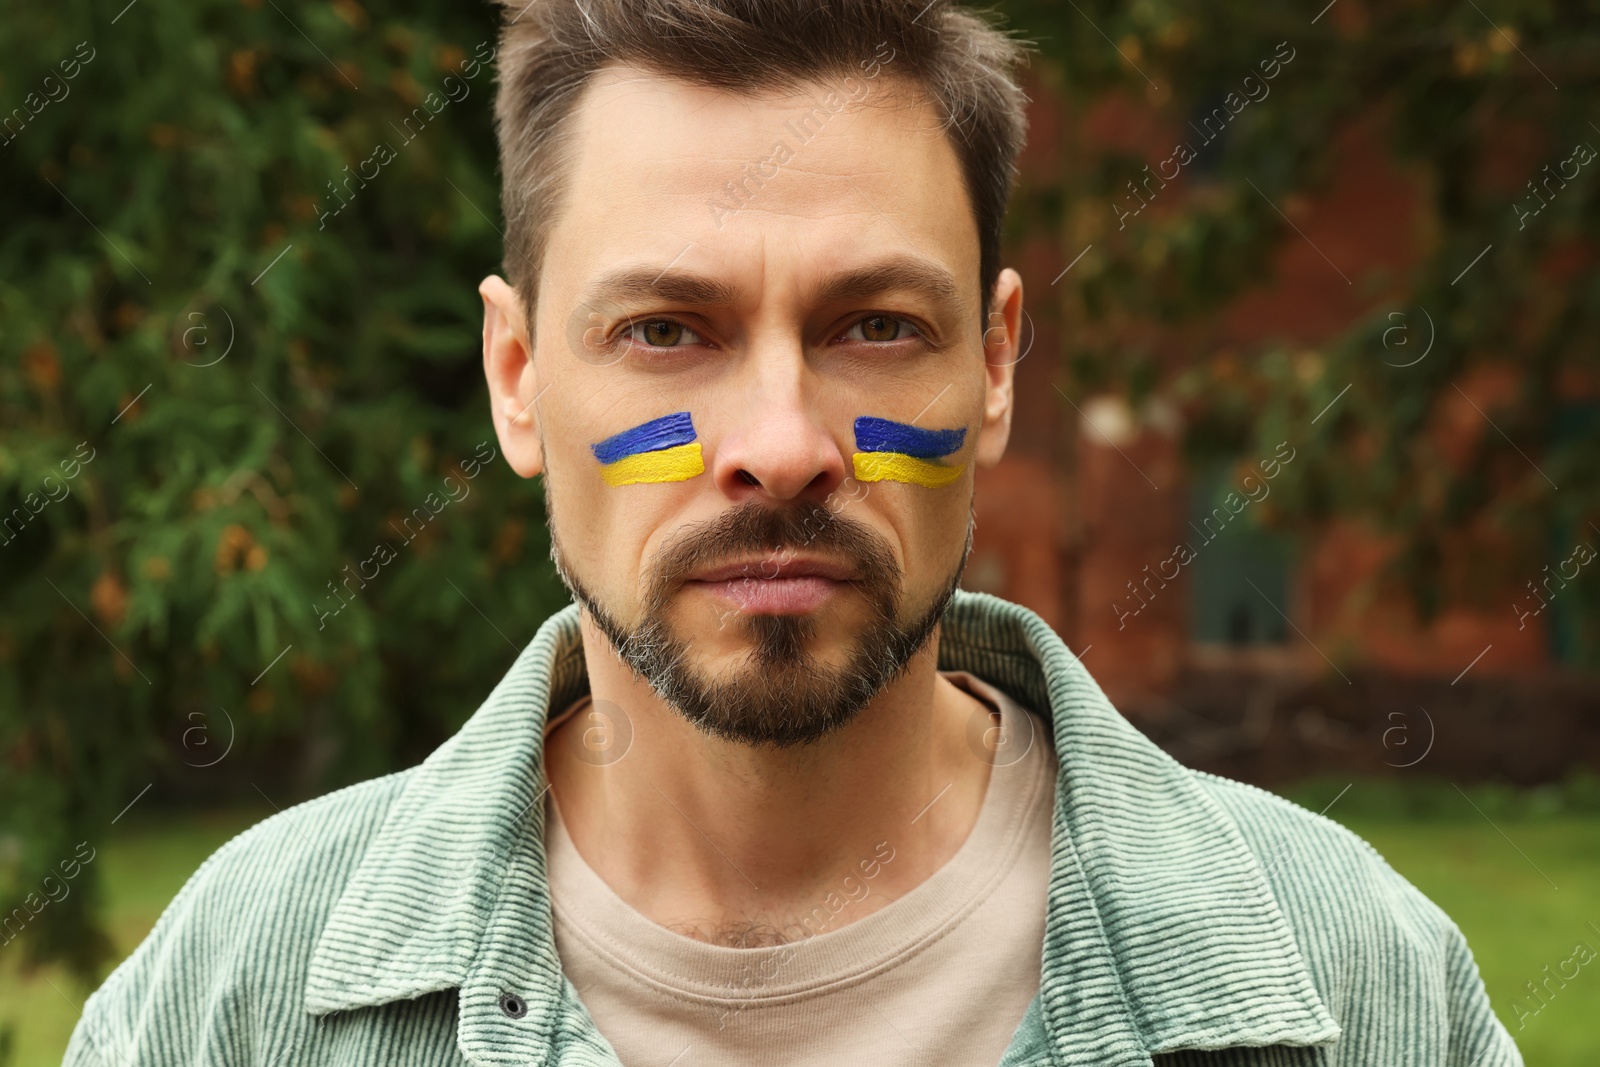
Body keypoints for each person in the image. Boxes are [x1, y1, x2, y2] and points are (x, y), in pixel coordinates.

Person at [64, 1, 1522, 1065]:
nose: (779, 447)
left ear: (998, 365)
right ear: (518, 380)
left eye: (876, 326)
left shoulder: (1358, 988)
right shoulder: (235, 996)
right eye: (664, 330)